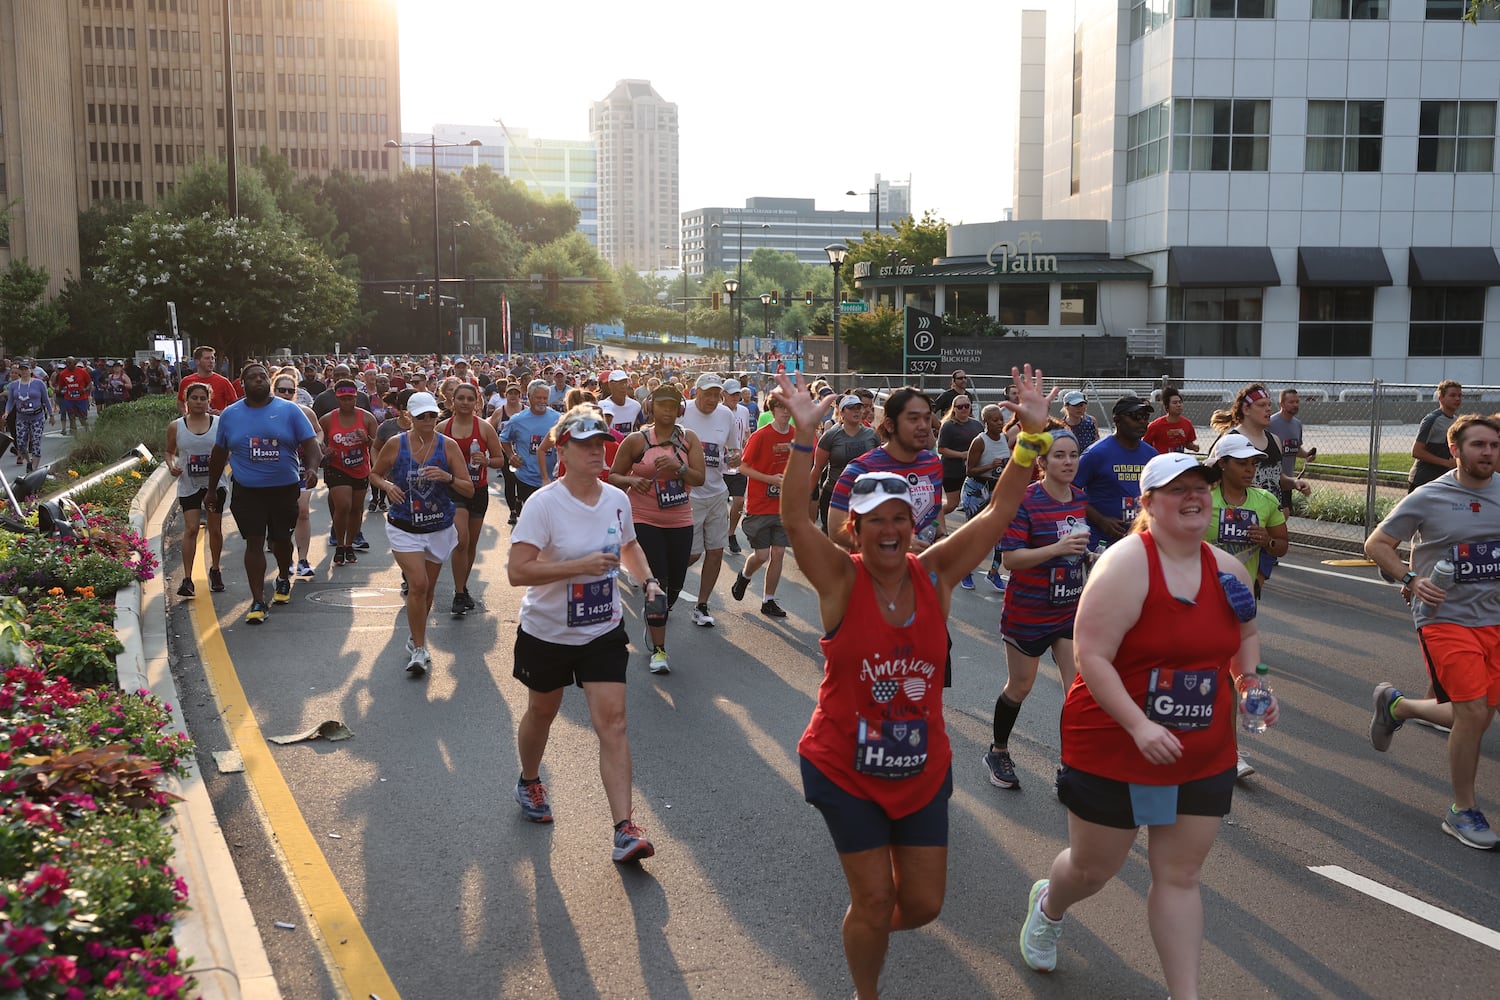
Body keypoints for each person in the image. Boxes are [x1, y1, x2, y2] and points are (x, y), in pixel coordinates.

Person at [779, 366, 1054, 1000]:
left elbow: (1002, 507)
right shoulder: (841, 582)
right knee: (874, 898)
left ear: (913, 522)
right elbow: (795, 520)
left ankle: (864, 929)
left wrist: (1032, 438)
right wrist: (799, 436)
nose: (890, 529)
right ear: (856, 528)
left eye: (900, 517)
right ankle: (865, 985)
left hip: (921, 768)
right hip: (845, 766)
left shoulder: (936, 575)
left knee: (924, 905)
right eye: (876, 519)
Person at [1020, 451, 1271, 999]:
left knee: (1179, 875)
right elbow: (1092, 659)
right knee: (1092, 869)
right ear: (1147, 503)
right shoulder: (1124, 566)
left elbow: (1245, 638)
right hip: (1115, 742)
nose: (1193, 497)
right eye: (1176, 489)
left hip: (1200, 750)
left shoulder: (1226, 570)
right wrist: (1138, 726)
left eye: (1200, 487)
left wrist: (1251, 687)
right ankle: (1049, 905)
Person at [506, 405, 663, 863]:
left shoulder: (616, 498)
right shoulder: (543, 504)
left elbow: (628, 545)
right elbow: (517, 572)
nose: (598, 451)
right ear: (563, 450)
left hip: (602, 627)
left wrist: (647, 580)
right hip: (548, 631)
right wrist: (578, 567)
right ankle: (530, 780)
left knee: (613, 723)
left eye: (601, 443)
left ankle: (624, 829)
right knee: (542, 711)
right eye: (586, 444)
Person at [1365, 413, 1500, 850]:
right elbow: (1377, 545)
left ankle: (1398, 706)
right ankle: (1462, 810)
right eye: (1479, 445)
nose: (1489, 453)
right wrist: (1409, 579)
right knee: (1474, 713)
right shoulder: (1429, 496)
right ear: (1455, 450)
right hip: (1444, 618)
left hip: (1494, 618)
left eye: (1494, 446)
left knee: (1476, 715)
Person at [985, 429, 1088, 790]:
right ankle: (998, 750)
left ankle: (1070, 765)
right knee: (1020, 686)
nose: (1069, 462)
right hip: (1028, 612)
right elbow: (1011, 559)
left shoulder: (1079, 498)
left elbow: (1077, 548)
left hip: (1068, 610)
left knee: (1077, 689)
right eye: (1059, 456)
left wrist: (1091, 555)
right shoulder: (1025, 501)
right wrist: (1058, 548)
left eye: (1073, 455)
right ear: (1041, 463)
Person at [205, 363, 321, 625]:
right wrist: (211, 489)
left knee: (281, 540)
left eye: (262, 377)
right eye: (251, 378)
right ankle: (257, 600)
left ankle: (282, 575)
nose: (258, 380)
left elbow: (312, 445)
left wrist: (312, 469)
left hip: (284, 488)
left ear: (268, 381)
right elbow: (219, 453)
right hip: (248, 491)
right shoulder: (230, 415)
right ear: (243, 384)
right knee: (254, 542)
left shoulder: (289, 410)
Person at [368, 391, 475, 675]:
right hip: (404, 526)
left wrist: (447, 477)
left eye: (432, 415)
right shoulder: (396, 444)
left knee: (426, 589)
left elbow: (469, 488)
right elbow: (375, 474)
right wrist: (388, 487)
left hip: (438, 526)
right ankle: (419, 647)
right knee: (417, 584)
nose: (428, 420)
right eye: (421, 416)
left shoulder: (447, 446)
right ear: (409, 417)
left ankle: (415, 635)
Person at [609, 383, 705, 673]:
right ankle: (659, 650)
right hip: (644, 517)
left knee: (675, 584)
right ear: (651, 407)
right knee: (658, 584)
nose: (667, 410)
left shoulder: (689, 440)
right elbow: (613, 474)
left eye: (672, 406)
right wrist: (631, 481)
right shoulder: (638, 441)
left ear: (680, 409)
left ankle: (656, 614)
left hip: (679, 519)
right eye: (661, 405)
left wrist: (680, 469)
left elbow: (699, 478)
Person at [827, 387, 945, 551]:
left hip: (923, 572)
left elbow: (935, 510)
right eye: (913, 419)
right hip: (874, 573)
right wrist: (896, 544)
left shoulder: (933, 463)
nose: (924, 426)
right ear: (890, 424)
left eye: (927, 418)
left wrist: (942, 536)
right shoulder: (860, 469)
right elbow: (835, 530)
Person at [677, 373, 741, 628]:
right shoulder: (683, 411)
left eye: (717, 394)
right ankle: (665, 583)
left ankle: (701, 605)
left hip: (716, 492)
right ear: (696, 393)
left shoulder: (726, 414)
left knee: (715, 551)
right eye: (708, 394)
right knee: (691, 554)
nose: (712, 399)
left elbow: (734, 449)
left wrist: (735, 457)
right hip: (687, 493)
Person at [730, 391, 797, 619]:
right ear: (772, 409)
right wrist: (771, 479)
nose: (786, 412)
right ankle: (745, 576)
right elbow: (743, 468)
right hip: (759, 504)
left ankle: (768, 601)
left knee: (778, 552)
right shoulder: (760, 436)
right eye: (781, 408)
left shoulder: (796, 435)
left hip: (783, 505)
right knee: (761, 555)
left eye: (789, 407)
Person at [442, 383, 504, 614]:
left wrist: (487, 461)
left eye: (470, 399)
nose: (465, 403)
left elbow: (500, 460)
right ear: (453, 401)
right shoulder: (442, 428)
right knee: (461, 539)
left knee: (471, 545)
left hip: (478, 489)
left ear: (477, 402)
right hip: (453, 489)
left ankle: (463, 587)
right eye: (461, 398)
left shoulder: (485, 429)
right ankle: (458, 593)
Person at [166, 382, 228, 597]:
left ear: (209, 400)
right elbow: (169, 451)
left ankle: (216, 569)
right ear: (187, 400)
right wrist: (171, 465)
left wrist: (220, 460)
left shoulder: (220, 424)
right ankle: (187, 578)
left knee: (215, 528)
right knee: (191, 528)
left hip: (215, 484)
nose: (199, 402)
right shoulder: (176, 426)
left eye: (203, 398)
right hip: (189, 484)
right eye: (195, 398)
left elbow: (229, 449)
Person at [1076, 395, 1159, 547]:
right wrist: (1100, 519)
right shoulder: (1096, 454)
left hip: (1140, 540)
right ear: (1117, 420)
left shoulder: (1152, 455)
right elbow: (1070, 492)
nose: (1142, 422)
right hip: (1102, 541)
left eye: (1145, 417)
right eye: (1136, 416)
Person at [319, 379, 380, 568]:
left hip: (360, 467)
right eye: (343, 398)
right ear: (337, 398)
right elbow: (317, 441)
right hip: (337, 467)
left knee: (356, 508)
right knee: (343, 505)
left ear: (356, 398)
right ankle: (338, 543)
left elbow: (378, 446)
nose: (347, 402)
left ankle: (349, 544)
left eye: (351, 398)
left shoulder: (367, 418)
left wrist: (367, 439)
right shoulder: (328, 419)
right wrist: (325, 449)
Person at [959, 403, 1018, 591]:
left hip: (996, 490)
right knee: (973, 535)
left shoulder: (1004, 437)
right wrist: (990, 466)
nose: (1000, 423)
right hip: (976, 491)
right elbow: (970, 470)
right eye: (995, 420)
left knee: (1001, 534)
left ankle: (993, 573)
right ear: (985, 422)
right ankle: (965, 572)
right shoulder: (979, 441)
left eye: (1001, 419)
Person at [810, 395, 880, 530]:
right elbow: (818, 468)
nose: (857, 412)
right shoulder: (831, 436)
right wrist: (808, 494)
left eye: (859, 408)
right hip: (835, 493)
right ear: (841, 412)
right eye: (851, 408)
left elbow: (879, 466)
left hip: (864, 494)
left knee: (862, 536)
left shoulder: (872, 435)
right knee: (834, 537)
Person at [498, 379, 560, 516]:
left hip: (552, 480)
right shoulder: (517, 420)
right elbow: (503, 439)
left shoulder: (558, 419)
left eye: (545, 398)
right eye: (539, 398)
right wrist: (511, 455)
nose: (542, 401)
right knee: (532, 518)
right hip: (527, 478)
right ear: (530, 397)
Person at [1408, 379, 1464, 492]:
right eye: (1452, 395)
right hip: (1423, 480)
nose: (1457, 399)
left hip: (1444, 481)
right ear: (1441, 398)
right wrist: (1446, 463)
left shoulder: (1457, 421)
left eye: (1459, 395)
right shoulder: (1431, 420)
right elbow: (1416, 451)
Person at [1267, 388, 1316, 509]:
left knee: (1285, 513)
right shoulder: (1270, 423)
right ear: (1282, 404)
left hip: (1287, 480)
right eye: (1291, 402)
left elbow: (1296, 448)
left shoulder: (1297, 424)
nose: (1295, 405)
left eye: (1297, 402)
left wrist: (1307, 454)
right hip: (1270, 480)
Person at [937, 395, 984, 518]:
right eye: (960, 407)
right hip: (952, 471)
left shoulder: (977, 425)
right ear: (954, 409)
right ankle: (932, 521)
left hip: (971, 471)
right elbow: (941, 449)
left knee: (974, 503)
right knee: (952, 504)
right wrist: (962, 455)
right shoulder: (948, 426)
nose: (963, 409)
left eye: (966, 406)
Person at [3, 363, 54, 472]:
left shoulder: (39, 383)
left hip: (37, 416)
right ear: (20, 372)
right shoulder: (14, 385)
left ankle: (34, 468)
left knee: (36, 441)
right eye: (22, 369)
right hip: (22, 417)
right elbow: (11, 401)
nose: (24, 371)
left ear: (30, 371)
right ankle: (29, 461)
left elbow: (46, 400)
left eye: (26, 369)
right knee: (21, 444)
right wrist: (6, 412)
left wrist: (51, 415)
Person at [722, 378, 753, 554]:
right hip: (719, 464)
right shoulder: (717, 411)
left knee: (739, 501)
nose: (735, 397)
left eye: (737, 394)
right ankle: (721, 531)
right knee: (720, 504)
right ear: (723, 394)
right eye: (732, 394)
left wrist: (746, 451)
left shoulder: (744, 410)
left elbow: (746, 433)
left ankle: (731, 533)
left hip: (739, 462)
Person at [177, 346, 238, 415]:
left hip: (216, 423)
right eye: (207, 358)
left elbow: (235, 405)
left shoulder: (223, 382)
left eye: (213, 358)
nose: (211, 361)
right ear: (197, 361)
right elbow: (180, 401)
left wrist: (221, 412)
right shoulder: (186, 381)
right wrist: (184, 414)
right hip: (193, 423)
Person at [1143, 386, 1199, 454]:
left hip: (1179, 461)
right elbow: (1145, 445)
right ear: (1167, 406)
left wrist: (1194, 447)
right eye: (1175, 403)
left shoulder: (1187, 424)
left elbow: (1187, 443)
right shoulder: (1155, 425)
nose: (1178, 405)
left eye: (1180, 402)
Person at [54, 356, 93, 436]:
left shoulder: (82, 372)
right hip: (69, 398)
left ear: (74, 363)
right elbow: (60, 386)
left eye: (70, 363)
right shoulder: (63, 374)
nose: (68, 365)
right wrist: (57, 389)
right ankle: (74, 432)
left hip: (81, 398)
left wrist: (85, 389)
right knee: (71, 416)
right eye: (66, 363)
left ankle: (87, 430)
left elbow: (89, 383)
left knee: (82, 417)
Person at [600, 369, 643, 435]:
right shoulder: (602, 406)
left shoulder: (636, 406)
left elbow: (642, 428)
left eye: (625, 383)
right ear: (610, 385)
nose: (623, 386)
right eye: (619, 383)